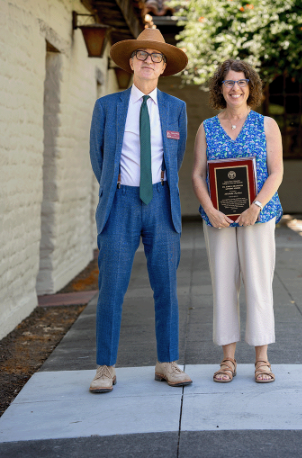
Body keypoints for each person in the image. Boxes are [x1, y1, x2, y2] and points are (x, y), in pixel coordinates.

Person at [89, 28, 192, 392]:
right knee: (111, 288)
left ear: (164, 67)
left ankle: (167, 362)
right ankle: (105, 367)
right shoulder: (108, 107)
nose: (149, 62)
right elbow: (98, 157)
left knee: (165, 287)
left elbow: (175, 159)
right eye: (143, 55)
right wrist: (117, 189)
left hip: (162, 204)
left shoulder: (176, 109)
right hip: (120, 204)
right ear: (131, 61)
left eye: (157, 57)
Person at [192, 59, 283, 383]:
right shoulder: (207, 127)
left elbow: (276, 172)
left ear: (251, 86)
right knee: (223, 286)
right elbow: (197, 174)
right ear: (220, 88)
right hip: (218, 220)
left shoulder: (266, 125)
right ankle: (227, 360)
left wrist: (257, 205)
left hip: (258, 217)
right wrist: (211, 210)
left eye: (242, 82)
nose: (236, 87)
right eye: (229, 82)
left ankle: (262, 360)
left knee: (258, 285)